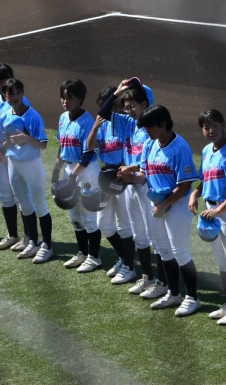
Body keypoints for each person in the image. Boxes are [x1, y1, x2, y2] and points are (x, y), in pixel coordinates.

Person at [118, 105, 200, 316]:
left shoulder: (180, 147)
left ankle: (193, 298)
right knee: (163, 250)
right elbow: (144, 175)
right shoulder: (150, 145)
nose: (146, 131)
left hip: (177, 204)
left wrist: (164, 205)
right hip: (157, 204)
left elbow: (184, 185)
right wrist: (131, 177)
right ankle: (174, 293)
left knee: (180, 251)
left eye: (149, 127)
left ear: (163, 124)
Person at [97, 78, 165, 298]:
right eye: (126, 107)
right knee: (139, 235)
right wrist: (118, 91)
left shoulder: (151, 129)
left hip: (147, 186)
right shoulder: (127, 123)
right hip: (130, 185)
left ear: (145, 103)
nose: (129, 110)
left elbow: (151, 162)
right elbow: (104, 113)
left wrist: (133, 171)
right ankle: (148, 277)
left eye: (133, 105)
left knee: (155, 237)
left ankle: (163, 282)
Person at [188, 109, 226, 325]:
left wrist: (218, 211)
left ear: (223, 125)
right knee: (223, 263)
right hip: (211, 212)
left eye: (214, 125)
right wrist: (195, 194)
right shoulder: (207, 150)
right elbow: (204, 180)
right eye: (206, 127)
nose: (211, 130)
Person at [0, 78, 53, 263]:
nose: (15, 97)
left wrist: (26, 139)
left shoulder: (33, 116)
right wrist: (1, 147)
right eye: (11, 93)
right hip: (13, 163)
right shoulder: (5, 116)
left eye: (18, 93)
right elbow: (2, 140)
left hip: (31, 164)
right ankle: (33, 242)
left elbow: (43, 144)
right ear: (5, 96)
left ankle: (47, 246)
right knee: (24, 204)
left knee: (39, 205)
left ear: (23, 93)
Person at [52, 78, 103, 273]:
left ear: (80, 98)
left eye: (70, 98)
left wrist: (73, 177)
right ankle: (82, 252)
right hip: (70, 170)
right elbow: (62, 146)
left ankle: (94, 257)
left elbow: (88, 154)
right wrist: (56, 171)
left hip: (86, 172)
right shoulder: (63, 118)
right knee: (74, 215)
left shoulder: (87, 122)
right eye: (63, 97)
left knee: (88, 216)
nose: (65, 101)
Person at [86, 87, 135, 284]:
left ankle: (129, 266)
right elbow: (90, 147)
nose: (113, 109)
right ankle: (125, 258)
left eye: (116, 105)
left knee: (124, 225)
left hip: (123, 176)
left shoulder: (127, 122)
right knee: (103, 224)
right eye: (108, 105)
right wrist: (95, 127)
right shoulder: (102, 124)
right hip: (106, 177)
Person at [0, 63, 30, 251]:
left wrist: (4, 148)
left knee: (21, 196)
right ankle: (12, 235)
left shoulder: (20, 100)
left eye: (6, 78)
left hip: (16, 155)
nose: (3, 82)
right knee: (5, 195)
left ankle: (29, 237)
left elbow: (25, 130)